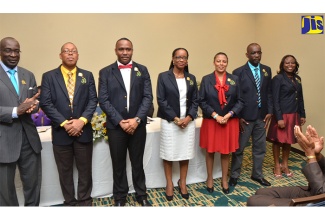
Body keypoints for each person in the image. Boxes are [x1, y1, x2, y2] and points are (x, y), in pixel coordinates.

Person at [40, 42, 98, 206]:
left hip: (83, 131)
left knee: (85, 170)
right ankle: (70, 203)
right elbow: (46, 103)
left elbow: (93, 100)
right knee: (64, 172)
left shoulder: (87, 75)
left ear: (78, 55)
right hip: (61, 133)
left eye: (73, 51)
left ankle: (85, 201)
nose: (70, 54)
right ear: (60, 55)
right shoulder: (49, 76)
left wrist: (82, 121)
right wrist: (65, 124)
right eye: (66, 51)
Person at [98, 37, 153, 206]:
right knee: (118, 164)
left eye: (128, 49)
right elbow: (104, 100)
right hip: (116, 127)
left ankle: (141, 194)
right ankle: (120, 197)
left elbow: (147, 97)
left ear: (132, 50)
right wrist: (121, 121)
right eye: (121, 49)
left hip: (138, 125)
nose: (124, 52)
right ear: (116, 50)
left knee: (137, 162)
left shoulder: (142, 70)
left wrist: (136, 120)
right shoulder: (105, 72)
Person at [0, 37, 42, 206]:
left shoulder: (28, 74)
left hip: (29, 140)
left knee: (33, 186)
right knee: (6, 191)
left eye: (16, 51)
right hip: (4, 141)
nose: (13, 54)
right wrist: (16, 111)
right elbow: (19, 108)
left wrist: (34, 107)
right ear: (0, 52)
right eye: (8, 50)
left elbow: (34, 102)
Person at [156, 48, 199, 201]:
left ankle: (183, 182)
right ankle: (169, 183)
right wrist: (175, 119)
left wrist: (188, 118)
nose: (181, 60)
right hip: (170, 122)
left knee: (185, 153)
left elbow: (195, 100)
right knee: (168, 153)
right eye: (178, 57)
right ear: (173, 59)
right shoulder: (163, 77)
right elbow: (161, 100)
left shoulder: (191, 78)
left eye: (184, 57)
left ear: (187, 60)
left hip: (187, 123)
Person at [229, 43, 273, 187]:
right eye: (253, 53)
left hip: (261, 116)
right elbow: (234, 97)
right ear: (247, 55)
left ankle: (257, 175)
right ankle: (234, 175)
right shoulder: (238, 72)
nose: (256, 55)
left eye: (259, 52)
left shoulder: (267, 70)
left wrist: (270, 111)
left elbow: (269, 93)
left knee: (260, 148)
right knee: (239, 148)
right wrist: (238, 116)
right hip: (245, 118)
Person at [247, 125, 325, 206]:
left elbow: (321, 192)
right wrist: (317, 154)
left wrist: (311, 156)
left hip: (318, 202)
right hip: (315, 190)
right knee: (260, 192)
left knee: (253, 201)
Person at [199, 52, 243, 194]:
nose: (221, 64)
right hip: (212, 121)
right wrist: (216, 115)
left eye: (224, 61)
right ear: (214, 62)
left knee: (226, 152)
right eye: (218, 61)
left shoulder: (234, 79)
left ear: (227, 63)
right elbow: (202, 100)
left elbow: (240, 101)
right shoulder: (206, 79)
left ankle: (224, 179)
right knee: (210, 151)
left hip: (229, 121)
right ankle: (210, 178)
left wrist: (229, 115)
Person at [267, 55, 306, 178]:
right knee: (278, 141)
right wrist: (279, 118)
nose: (290, 65)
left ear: (296, 65)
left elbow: (300, 98)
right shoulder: (277, 79)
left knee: (289, 141)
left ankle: (285, 164)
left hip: (294, 114)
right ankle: (277, 165)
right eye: (287, 63)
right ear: (282, 65)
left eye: (292, 63)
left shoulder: (297, 79)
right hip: (282, 114)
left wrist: (302, 114)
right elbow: (275, 99)